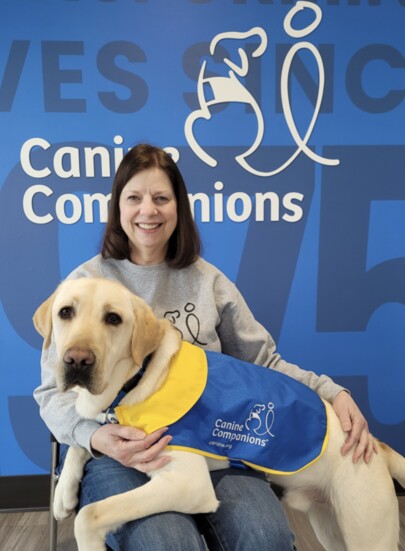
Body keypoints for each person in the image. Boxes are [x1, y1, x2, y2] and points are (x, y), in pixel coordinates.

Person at [34, 143, 374, 551]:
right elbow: (52, 395)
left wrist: (332, 392)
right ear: (117, 207)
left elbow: (262, 362)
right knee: (167, 542)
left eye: (162, 198)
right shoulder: (81, 285)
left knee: (266, 537)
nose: (148, 210)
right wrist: (94, 439)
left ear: (179, 208)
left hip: (214, 445)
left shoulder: (208, 281)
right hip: (119, 452)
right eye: (134, 198)